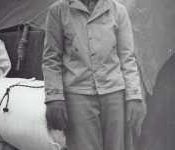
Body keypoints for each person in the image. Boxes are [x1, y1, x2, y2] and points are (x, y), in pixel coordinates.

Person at [42, 0, 146, 150]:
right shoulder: (58, 11)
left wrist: (134, 97)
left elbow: (127, 58)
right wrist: (54, 98)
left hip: (114, 95)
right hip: (78, 96)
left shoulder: (118, 10)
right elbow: (51, 58)